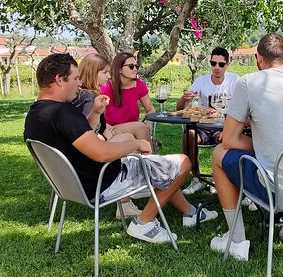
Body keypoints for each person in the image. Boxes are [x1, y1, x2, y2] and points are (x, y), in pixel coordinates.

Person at [24, 53, 217, 245]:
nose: (79, 83)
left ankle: (191, 213)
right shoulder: (63, 113)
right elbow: (102, 153)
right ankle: (144, 222)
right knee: (183, 163)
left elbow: (84, 138)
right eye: (75, 78)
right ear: (59, 80)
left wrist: (95, 113)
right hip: (106, 181)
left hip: (72, 186)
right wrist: (136, 144)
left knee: (160, 168)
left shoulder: (35, 115)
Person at [209, 33, 283, 260]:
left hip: (279, 189)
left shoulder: (249, 82)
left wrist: (262, 143)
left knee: (218, 153)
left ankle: (236, 240)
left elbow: (230, 140)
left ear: (259, 58)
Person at [72, 53, 143, 219]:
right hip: (90, 159)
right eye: (104, 72)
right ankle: (128, 197)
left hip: (73, 167)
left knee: (128, 138)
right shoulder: (90, 98)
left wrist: (104, 132)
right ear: (93, 72)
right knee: (129, 141)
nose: (109, 76)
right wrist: (104, 136)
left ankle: (130, 194)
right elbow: (86, 132)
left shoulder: (79, 95)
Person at [176, 47, 240, 195]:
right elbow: (180, 108)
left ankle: (216, 178)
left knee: (224, 139)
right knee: (189, 136)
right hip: (203, 126)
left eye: (221, 64)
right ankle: (196, 177)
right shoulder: (201, 81)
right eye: (213, 63)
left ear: (227, 65)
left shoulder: (234, 80)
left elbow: (242, 105)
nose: (216, 67)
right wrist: (183, 99)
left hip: (224, 126)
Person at [100, 52, 154, 144]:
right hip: (110, 128)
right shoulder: (106, 87)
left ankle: (147, 156)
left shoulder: (139, 85)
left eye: (136, 66)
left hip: (132, 129)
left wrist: (149, 121)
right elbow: (98, 114)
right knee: (140, 127)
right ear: (119, 69)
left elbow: (150, 109)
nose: (135, 69)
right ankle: (151, 158)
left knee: (140, 128)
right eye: (131, 66)